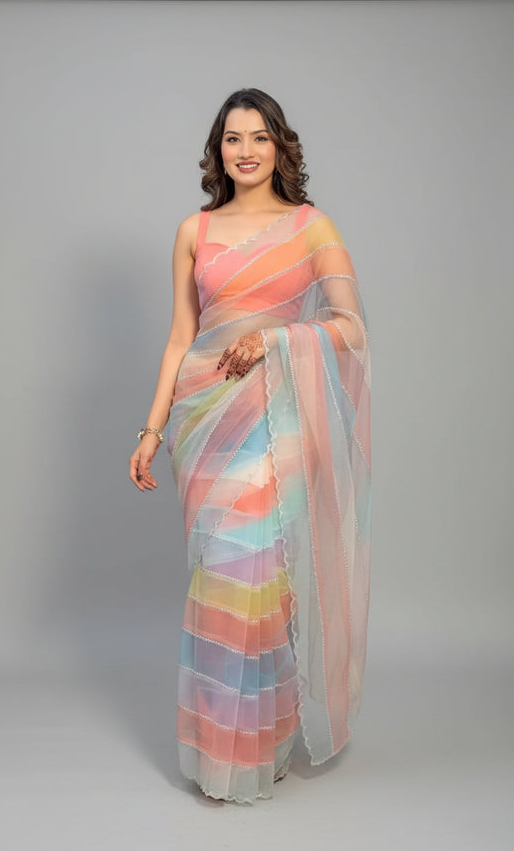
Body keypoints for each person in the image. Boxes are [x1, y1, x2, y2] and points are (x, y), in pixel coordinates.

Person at [129, 88, 371, 804]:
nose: (245, 151)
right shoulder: (194, 230)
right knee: (219, 577)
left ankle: (258, 746)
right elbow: (180, 337)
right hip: (203, 421)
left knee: (258, 574)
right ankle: (222, 749)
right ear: (218, 150)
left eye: (259, 137)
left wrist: (274, 339)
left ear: (279, 146)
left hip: (277, 417)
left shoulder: (310, 227)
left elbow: (350, 327)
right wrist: (151, 429)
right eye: (232, 138)